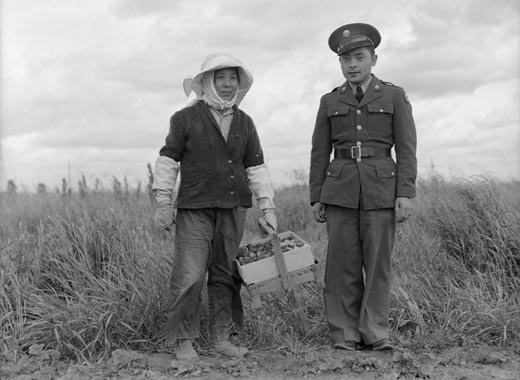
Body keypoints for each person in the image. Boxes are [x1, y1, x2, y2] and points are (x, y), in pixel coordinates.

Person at [151, 53, 277, 360]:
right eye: (220, 78)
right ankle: (183, 340)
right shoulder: (185, 119)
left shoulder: (245, 122)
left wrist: (268, 207)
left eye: (232, 78)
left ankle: (221, 338)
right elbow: (168, 160)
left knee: (224, 274)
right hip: (195, 207)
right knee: (191, 274)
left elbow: (256, 167)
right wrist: (164, 202)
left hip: (234, 207)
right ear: (207, 81)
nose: (226, 84)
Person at [309, 23, 417, 351]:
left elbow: (407, 147)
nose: (352, 65)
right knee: (341, 267)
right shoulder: (330, 101)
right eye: (345, 60)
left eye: (359, 57)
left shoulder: (393, 95)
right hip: (339, 190)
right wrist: (317, 195)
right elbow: (318, 151)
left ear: (374, 59)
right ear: (340, 64)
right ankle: (344, 334)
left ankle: (375, 332)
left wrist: (405, 192)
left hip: (382, 190)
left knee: (378, 265)